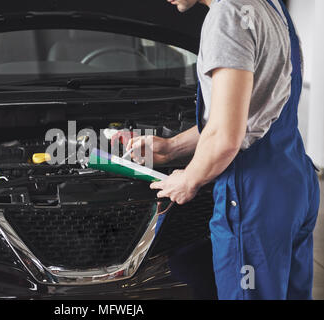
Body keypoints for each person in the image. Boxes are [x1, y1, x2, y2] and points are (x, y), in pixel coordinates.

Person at [127, 0, 320, 300]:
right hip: (294, 180)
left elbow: (226, 138)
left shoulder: (226, 15)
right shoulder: (269, 6)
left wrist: (188, 178)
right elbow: (249, 114)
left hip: (253, 193)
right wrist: (171, 147)